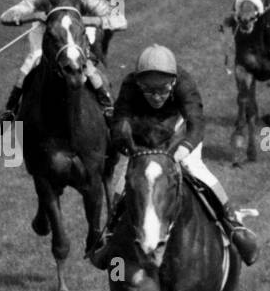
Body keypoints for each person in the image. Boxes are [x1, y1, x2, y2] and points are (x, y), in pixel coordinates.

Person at [92, 44, 257, 267]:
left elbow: (196, 123)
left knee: (196, 169)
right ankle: (111, 235)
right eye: (149, 91)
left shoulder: (184, 83)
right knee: (123, 183)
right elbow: (119, 121)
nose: (157, 97)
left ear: (174, 82)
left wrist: (185, 148)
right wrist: (128, 147)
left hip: (179, 134)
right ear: (139, 83)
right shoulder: (130, 84)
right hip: (144, 138)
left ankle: (232, 224)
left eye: (163, 90)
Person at [0, 0, 115, 121]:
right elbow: (6, 16)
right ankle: (10, 110)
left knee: (87, 66)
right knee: (29, 65)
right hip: (48, 34)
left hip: (75, 32)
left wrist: (89, 20)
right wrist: (33, 15)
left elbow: (118, 19)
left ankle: (107, 106)